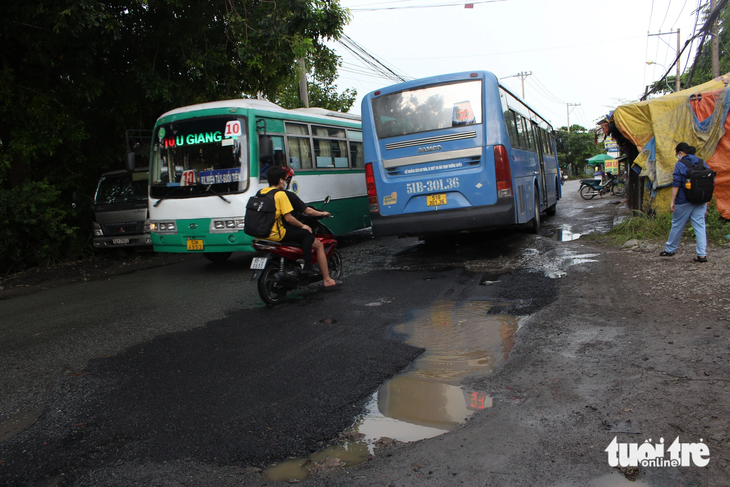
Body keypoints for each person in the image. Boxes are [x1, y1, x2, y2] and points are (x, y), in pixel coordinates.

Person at [260, 166, 342, 288]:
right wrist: (306, 223)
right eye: (286, 179)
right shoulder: (283, 195)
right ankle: (326, 279)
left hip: (263, 232)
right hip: (279, 233)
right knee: (311, 238)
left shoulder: (261, 192)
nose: (286, 181)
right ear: (280, 180)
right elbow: (299, 214)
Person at [659, 142, 708, 262]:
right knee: (700, 226)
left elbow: (676, 184)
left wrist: (672, 201)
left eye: (677, 153)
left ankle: (670, 250)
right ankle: (701, 254)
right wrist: (706, 201)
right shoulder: (702, 162)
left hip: (683, 200)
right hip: (700, 200)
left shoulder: (680, 164)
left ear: (681, 153)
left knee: (677, 225)